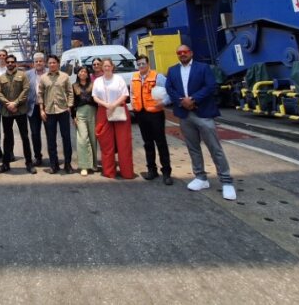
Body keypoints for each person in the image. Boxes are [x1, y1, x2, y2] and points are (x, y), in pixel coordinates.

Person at [166, 44, 236, 200]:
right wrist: (182, 101)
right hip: (184, 114)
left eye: (185, 52)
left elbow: (210, 86)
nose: (182, 54)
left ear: (191, 53)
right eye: (179, 52)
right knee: (193, 147)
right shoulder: (173, 70)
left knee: (215, 147)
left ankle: (226, 181)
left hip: (202, 113)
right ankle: (200, 177)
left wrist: (193, 99)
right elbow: (169, 88)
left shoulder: (203, 68)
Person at [132, 54, 173, 185]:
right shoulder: (135, 77)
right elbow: (133, 93)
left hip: (155, 114)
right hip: (141, 114)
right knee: (147, 143)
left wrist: (164, 103)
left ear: (148, 64)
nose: (141, 66)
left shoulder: (157, 77)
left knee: (161, 142)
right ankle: (151, 170)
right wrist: (133, 104)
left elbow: (169, 91)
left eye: (143, 63)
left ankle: (166, 172)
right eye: (139, 64)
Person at [93, 58, 134, 179]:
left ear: (112, 67)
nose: (106, 68)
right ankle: (109, 171)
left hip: (119, 109)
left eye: (108, 66)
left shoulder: (119, 79)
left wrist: (113, 105)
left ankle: (127, 172)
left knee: (123, 142)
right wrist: (106, 105)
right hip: (103, 110)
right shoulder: (98, 81)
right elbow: (95, 96)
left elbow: (125, 94)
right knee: (106, 143)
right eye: (104, 66)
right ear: (101, 68)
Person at [0, 54, 36, 174]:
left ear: (15, 63)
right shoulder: (1, 78)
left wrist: (15, 104)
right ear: (5, 64)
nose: (10, 64)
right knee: (7, 138)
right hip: (6, 111)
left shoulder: (23, 75)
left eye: (12, 62)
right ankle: (5, 164)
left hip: (20, 110)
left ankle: (29, 163)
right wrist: (8, 104)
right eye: (8, 62)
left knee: (25, 137)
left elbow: (26, 90)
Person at [39, 54, 74, 174]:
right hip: (49, 112)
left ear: (58, 64)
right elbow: (40, 94)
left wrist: (69, 106)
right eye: (50, 63)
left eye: (54, 62)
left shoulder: (65, 76)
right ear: (47, 64)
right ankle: (54, 165)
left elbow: (70, 92)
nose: (52, 64)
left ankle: (68, 164)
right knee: (51, 139)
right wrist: (41, 110)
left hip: (63, 111)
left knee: (66, 138)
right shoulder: (43, 78)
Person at [72, 66, 98, 177]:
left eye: (85, 72)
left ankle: (93, 164)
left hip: (93, 113)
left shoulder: (93, 85)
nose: (83, 73)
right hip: (80, 113)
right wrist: (73, 116)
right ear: (78, 74)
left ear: (88, 74)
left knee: (93, 138)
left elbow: (97, 100)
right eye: (81, 71)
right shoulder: (74, 86)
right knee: (82, 139)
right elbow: (72, 102)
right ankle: (84, 166)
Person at [26, 52, 46, 167]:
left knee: (50, 133)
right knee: (35, 133)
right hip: (33, 107)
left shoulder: (50, 72)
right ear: (33, 63)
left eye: (40, 61)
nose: (38, 63)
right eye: (36, 61)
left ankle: (53, 157)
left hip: (47, 108)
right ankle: (38, 157)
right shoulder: (27, 74)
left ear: (44, 62)